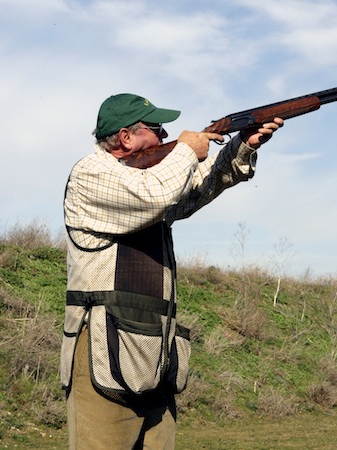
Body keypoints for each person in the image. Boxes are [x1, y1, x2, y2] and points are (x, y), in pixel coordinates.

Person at [61, 93, 283, 449]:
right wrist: (185, 148)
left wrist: (243, 144)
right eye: (156, 129)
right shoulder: (92, 172)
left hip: (152, 358)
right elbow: (156, 194)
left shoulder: (147, 177)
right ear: (126, 138)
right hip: (104, 356)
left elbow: (198, 186)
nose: (166, 137)